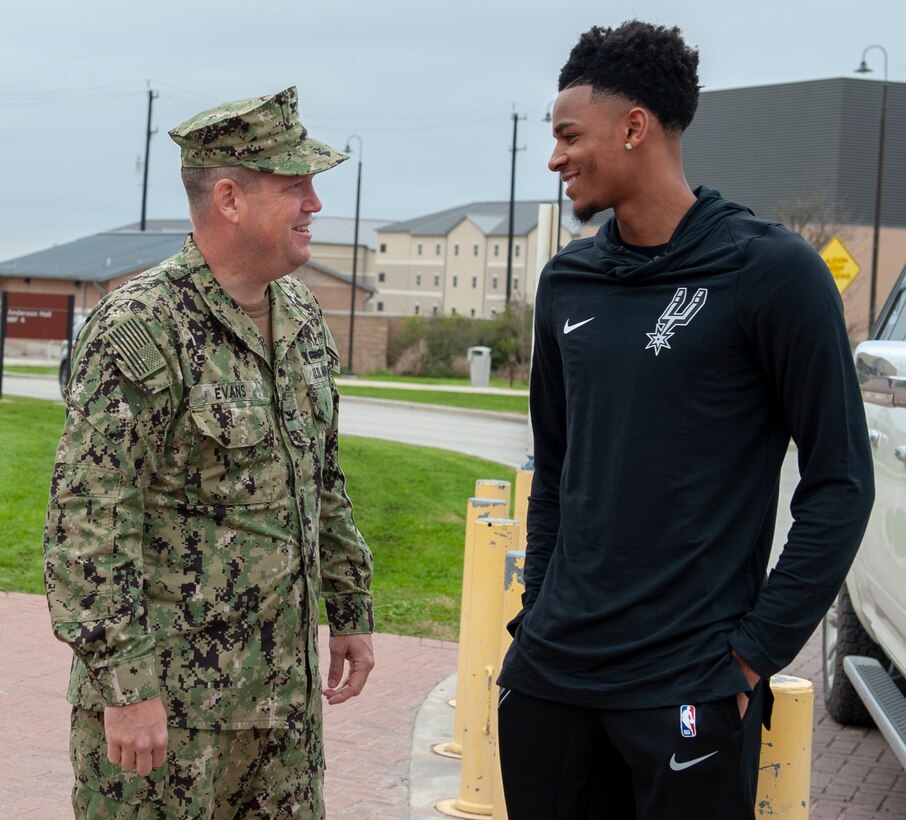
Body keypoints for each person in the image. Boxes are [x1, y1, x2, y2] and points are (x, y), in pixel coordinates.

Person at [497, 21, 874, 820]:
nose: (556, 157)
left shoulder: (771, 274)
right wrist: (534, 615)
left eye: (569, 135)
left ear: (635, 128)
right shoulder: (568, 283)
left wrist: (750, 659)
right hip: (551, 680)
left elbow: (840, 484)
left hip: (688, 685)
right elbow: (556, 469)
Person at [43, 86, 374, 819]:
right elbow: (87, 524)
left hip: (283, 711)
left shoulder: (302, 316)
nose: (315, 203)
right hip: (171, 720)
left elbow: (321, 476)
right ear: (229, 198)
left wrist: (350, 605)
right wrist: (127, 691)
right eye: (297, 186)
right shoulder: (141, 328)